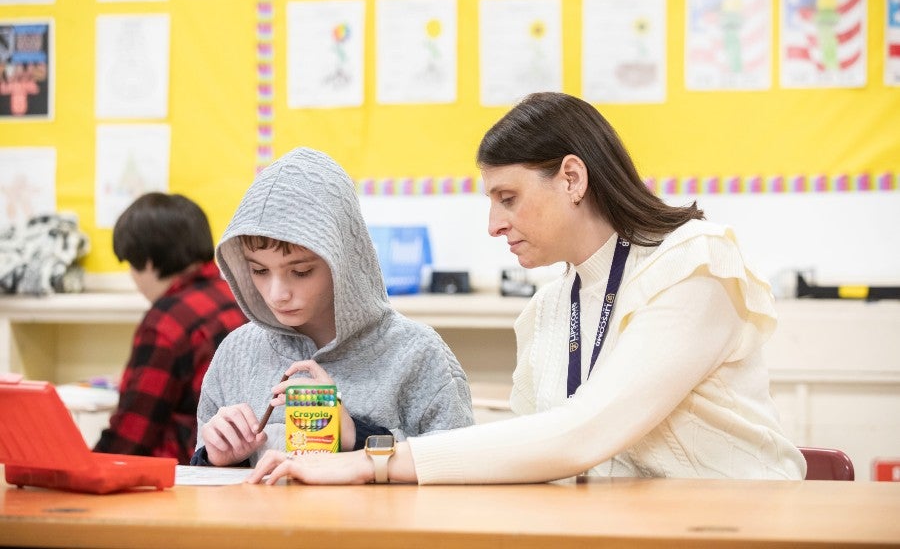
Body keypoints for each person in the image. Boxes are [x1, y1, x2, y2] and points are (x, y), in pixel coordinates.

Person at [246, 91, 808, 485]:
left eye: (507, 198)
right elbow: (534, 443)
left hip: (736, 528)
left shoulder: (694, 264)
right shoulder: (547, 308)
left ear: (572, 178)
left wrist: (374, 461)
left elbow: (580, 434)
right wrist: (360, 444)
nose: (493, 225)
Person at [192, 148, 474, 467]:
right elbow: (211, 497)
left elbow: (459, 469)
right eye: (259, 271)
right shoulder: (236, 354)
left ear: (344, 260)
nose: (277, 294)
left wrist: (354, 434)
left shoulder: (417, 353)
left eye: (300, 271)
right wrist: (216, 459)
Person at [94, 192, 247, 464]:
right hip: (242, 463)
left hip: (184, 472)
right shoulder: (237, 296)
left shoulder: (166, 322)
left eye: (131, 264)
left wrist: (84, 466)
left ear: (148, 261)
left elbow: (131, 435)